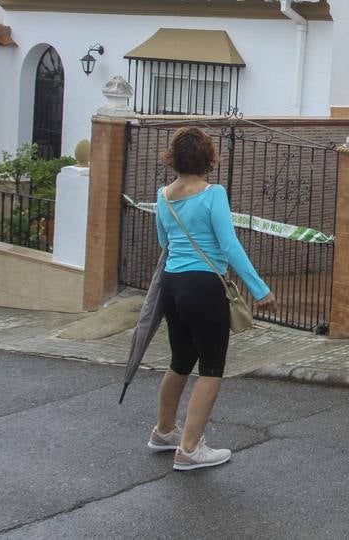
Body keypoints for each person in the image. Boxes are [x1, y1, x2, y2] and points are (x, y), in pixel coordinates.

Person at [146, 126, 275, 471]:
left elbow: (164, 241)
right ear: (208, 158)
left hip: (171, 286)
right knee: (212, 368)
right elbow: (229, 246)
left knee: (180, 361)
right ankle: (189, 449)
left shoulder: (164, 195)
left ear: (174, 157)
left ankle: (164, 432)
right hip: (203, 288)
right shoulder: (213, 194)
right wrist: (260, 289)